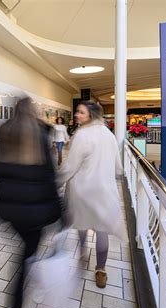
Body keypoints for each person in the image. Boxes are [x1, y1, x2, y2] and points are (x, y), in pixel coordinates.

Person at [0, 97, 62, 308]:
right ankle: (16, 305)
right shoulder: (39, 136)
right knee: (26, 257)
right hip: (36, 212)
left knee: (27, 248)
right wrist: (59, 210)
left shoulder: (5, 134)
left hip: (11, 211)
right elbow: (50, 177)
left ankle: (32, 267)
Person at [56, 101, 124, 289]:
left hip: (82, 191)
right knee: (102, 230)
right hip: (104, 191)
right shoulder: (108, 135)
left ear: (91, 115)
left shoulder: (82, 135)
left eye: (81, 113)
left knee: (83, 225)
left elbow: (70, 167)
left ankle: (83, 256)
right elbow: (118, 166)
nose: (77, 115)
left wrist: (56, 182)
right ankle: (101, 269)